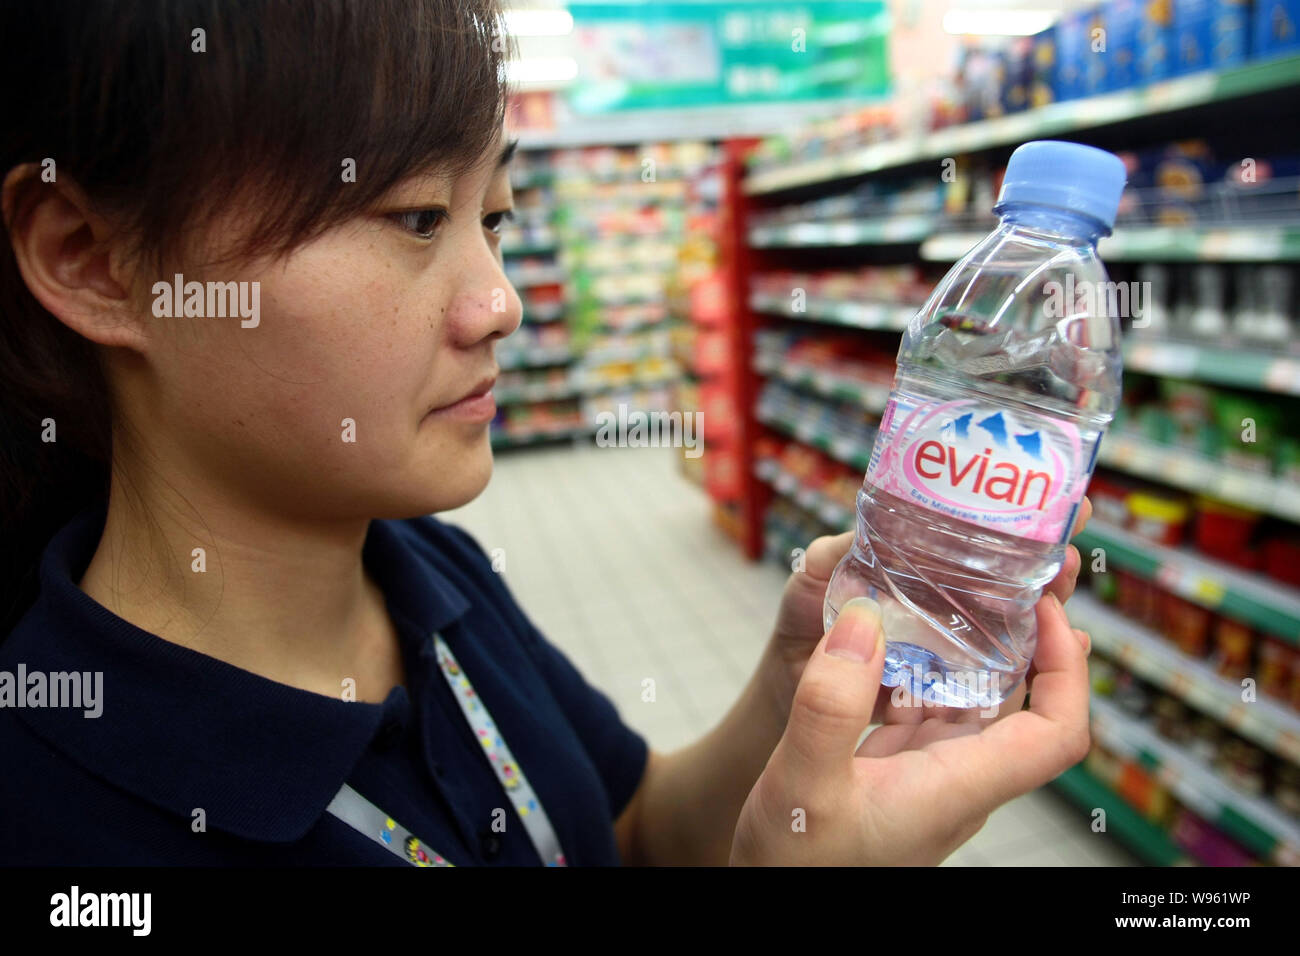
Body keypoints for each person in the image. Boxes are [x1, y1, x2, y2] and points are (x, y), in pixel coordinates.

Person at [0, 0, 1093, 867]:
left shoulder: (429, 569)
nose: (501, 301)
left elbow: (637, 830)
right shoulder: (61, 816)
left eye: (497, 216)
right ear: (94, 260)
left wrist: (795, 679)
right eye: (417, 216)